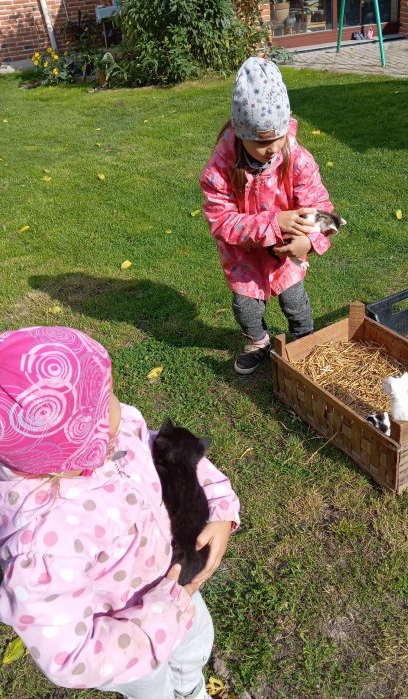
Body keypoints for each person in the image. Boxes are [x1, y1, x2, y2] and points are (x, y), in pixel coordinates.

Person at [0, 326, 240, 699]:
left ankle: (191, 688)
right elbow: (72, 657)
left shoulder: (116, 432)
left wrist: (220, 505)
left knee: (194, 648)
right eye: (104, 401)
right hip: (128, 638)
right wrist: (163, 613)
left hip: (174, 582)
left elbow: (173, 456)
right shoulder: (40, 544)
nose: (118, 404)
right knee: (153, 690)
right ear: (80, 444)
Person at [200, 56, 335, 375]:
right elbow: (221, 222)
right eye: (261, 142)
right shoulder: (221, 170)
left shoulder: (297, 159)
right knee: (245, 306)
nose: (272, 148)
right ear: (240, 133)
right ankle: (258, 341)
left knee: (295, 301)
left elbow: (322, 211)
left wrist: (308, 242)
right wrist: (274, 223)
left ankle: (304, 341)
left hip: (286, 253)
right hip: (244, 254)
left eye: (277, 137)